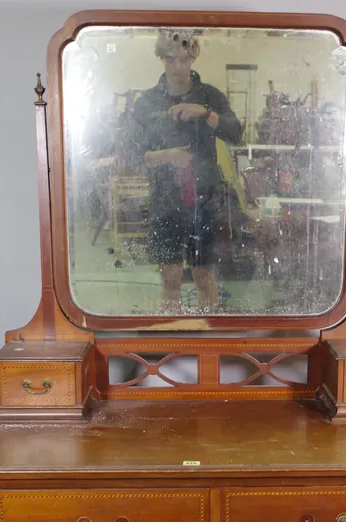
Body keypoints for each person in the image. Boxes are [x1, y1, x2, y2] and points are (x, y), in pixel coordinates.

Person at [130, 29, 243, 312]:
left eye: (184, 59)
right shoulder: (146, 103)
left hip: (205, 201)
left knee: (204, 275)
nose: (178, 67)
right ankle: (171, 340)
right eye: (170, 60)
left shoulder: (210, 96)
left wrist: (204, 112)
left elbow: (235, 133)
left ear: (194, 55)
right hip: (165, 201)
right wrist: (167, 156)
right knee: (170, 277)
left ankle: (208, 341)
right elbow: (132, 154)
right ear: (161, 58)